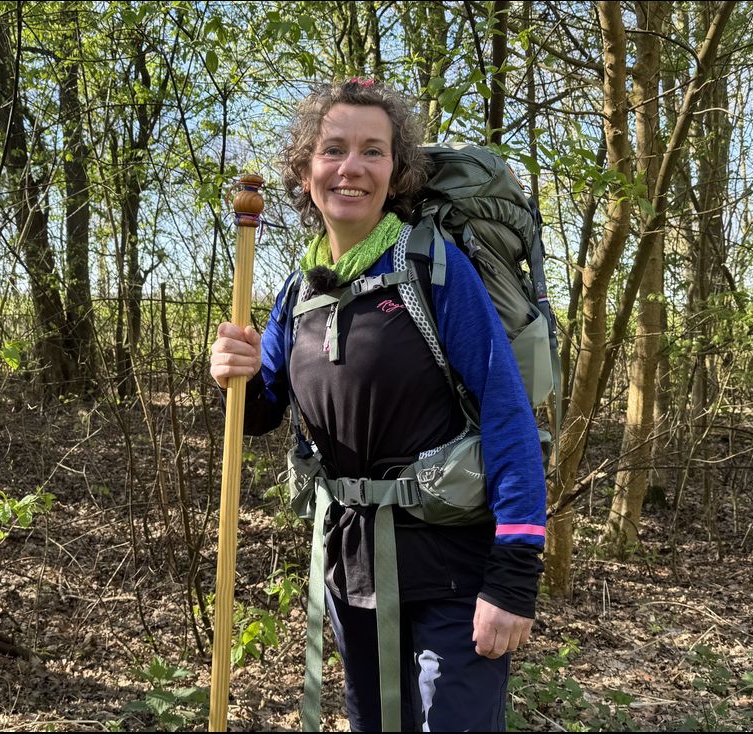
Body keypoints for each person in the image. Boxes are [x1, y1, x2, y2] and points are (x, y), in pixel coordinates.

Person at [209, 78, 546, 731]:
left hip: (451, 568)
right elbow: (262, 410)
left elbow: (507, 411)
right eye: (333, 149)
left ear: (396, 172)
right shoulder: (298, 291)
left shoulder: (434, 268)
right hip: (352, 564)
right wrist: (235, 375)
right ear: (305, 170)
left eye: (373, 151)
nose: (351, 167)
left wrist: (514, 575)